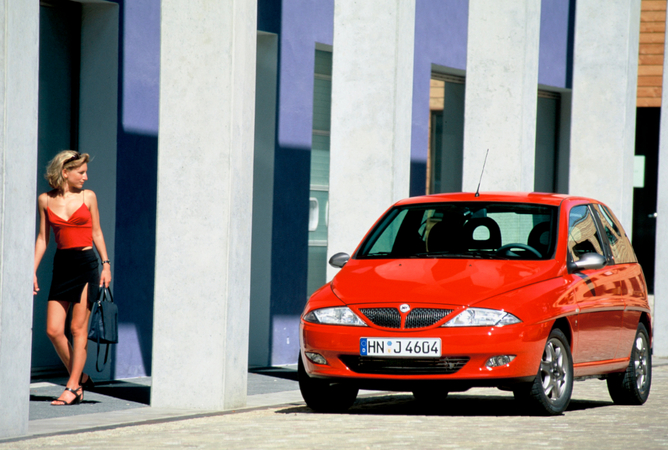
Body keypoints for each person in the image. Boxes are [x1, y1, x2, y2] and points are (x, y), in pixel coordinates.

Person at [34, 150, 112, 406]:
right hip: (63, 265)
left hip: (86, 264)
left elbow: (97, 232)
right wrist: (32, 271)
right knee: (53, 330)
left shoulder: (88, 197)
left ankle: (72, 387)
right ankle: (79, 377)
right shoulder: (45, 200)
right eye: (81, 172)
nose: (86, 177)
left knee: (77, 329)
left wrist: (106, 265)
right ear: (64, 172)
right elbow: (43, 239)